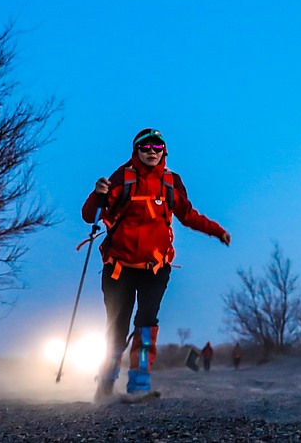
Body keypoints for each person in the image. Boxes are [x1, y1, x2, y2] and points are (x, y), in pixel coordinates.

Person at [83, 128, 231, 402]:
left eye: (157, 147)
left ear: (164, 151)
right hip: (119, 268)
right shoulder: (122, 178)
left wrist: (217, 231)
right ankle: (105, 384)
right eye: (145, 146)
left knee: (146, 324)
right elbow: (89, 215)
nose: (151, 151)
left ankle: (139, 386)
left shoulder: (171, 182)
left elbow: (188, 215)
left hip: (155, 268)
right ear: (136, 150)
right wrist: (97, 194)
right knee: (117, 326)